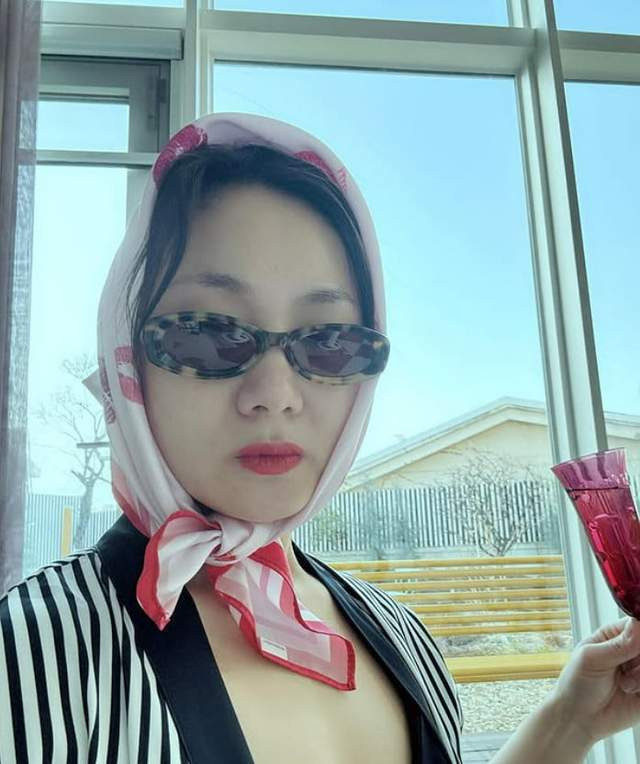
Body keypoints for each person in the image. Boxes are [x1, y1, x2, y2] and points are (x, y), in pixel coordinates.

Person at [1, 112, 640, 764]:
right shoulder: (29, 652)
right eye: (207, 332)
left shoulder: (401, 634)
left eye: (329, 340)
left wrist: (569, 724)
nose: (276, 392)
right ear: (127, 360)